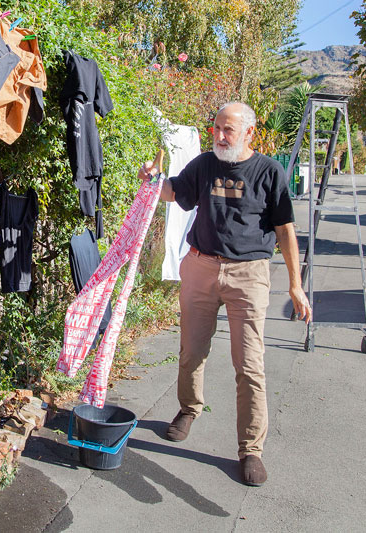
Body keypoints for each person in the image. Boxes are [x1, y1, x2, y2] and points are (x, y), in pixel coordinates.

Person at [138, 101, 311, 486]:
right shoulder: (204, 164)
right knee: (191, 350)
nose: (219, 135)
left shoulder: (269, 171)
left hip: (249, 275)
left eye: (228, 130)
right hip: (200, 266)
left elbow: (285, 230)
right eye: (216, 128)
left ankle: (251, 449)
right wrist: (152, 179)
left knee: (249, 365)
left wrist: (296, 285)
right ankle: (188, 408)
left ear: (250, 132)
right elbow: (174, 192)